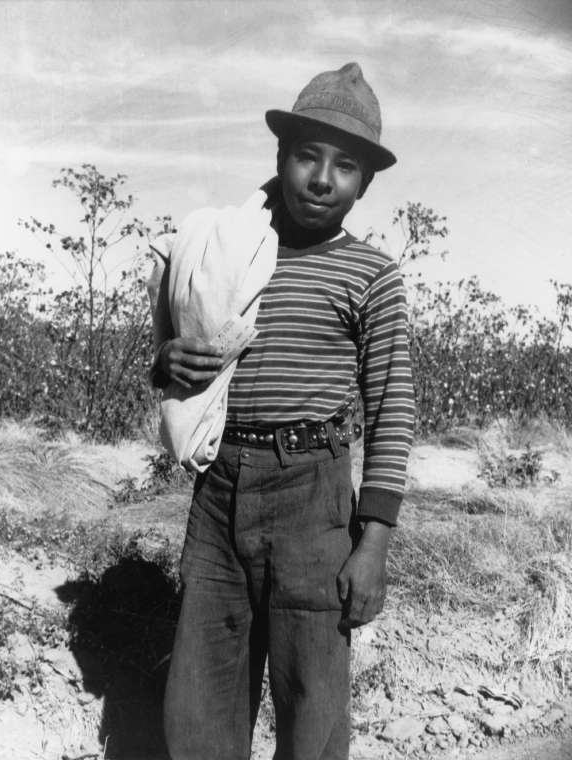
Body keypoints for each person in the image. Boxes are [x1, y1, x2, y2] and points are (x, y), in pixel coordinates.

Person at [151, 62, 414, 760]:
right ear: (279, 157)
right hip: (220, 492)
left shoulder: (373, 276)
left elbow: (393, 409)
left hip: (314, 498)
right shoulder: (235, 249)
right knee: (201, 697)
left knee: (312, 701)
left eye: (346, 165)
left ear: (365, 182)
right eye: (307, 156)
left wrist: (374, 544)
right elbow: (181, 351)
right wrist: (167, 364)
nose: (323, 179)